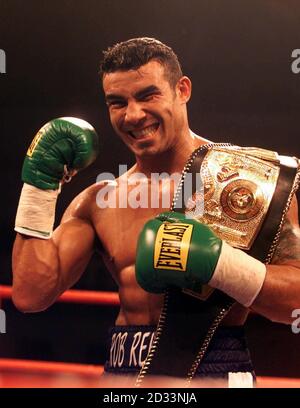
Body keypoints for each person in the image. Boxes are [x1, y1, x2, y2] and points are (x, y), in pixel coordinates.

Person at [12, 38, 300, 387]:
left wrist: (220, 264)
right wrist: (39, 187)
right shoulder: (99, 200)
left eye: (148, 95)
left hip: (215, 370)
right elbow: (30, 295)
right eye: (117, 102)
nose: (132, 115)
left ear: (182, 90)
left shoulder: (246, 183)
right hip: (122, 373)